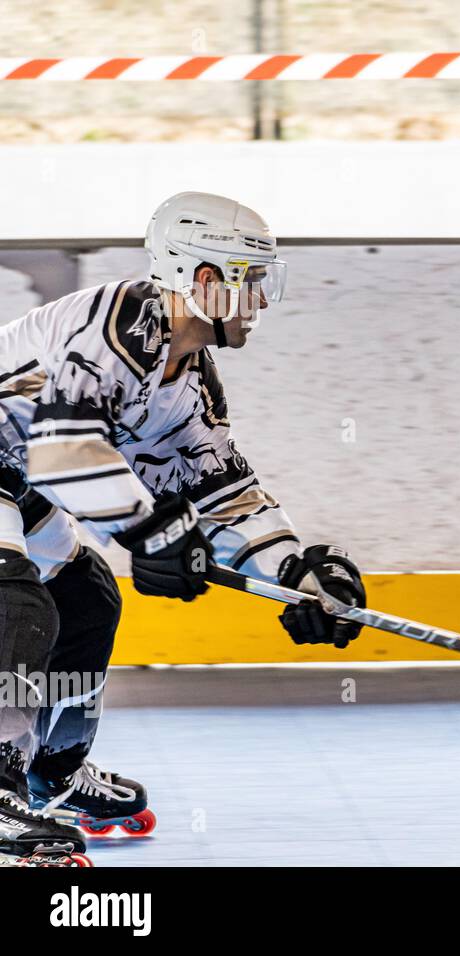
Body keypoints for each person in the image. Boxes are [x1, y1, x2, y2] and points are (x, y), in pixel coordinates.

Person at [0, 192, 366, 865]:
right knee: (14, 598)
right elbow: (63, 448)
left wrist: (295, 572)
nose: (259, 301)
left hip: (15, 479)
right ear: (203, 281)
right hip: (13, 468)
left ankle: (50, 773)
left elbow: (222, 491)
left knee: (87, 596)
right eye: (250, 281)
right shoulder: (119, 324)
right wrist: (151, 531)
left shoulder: (189, 375)